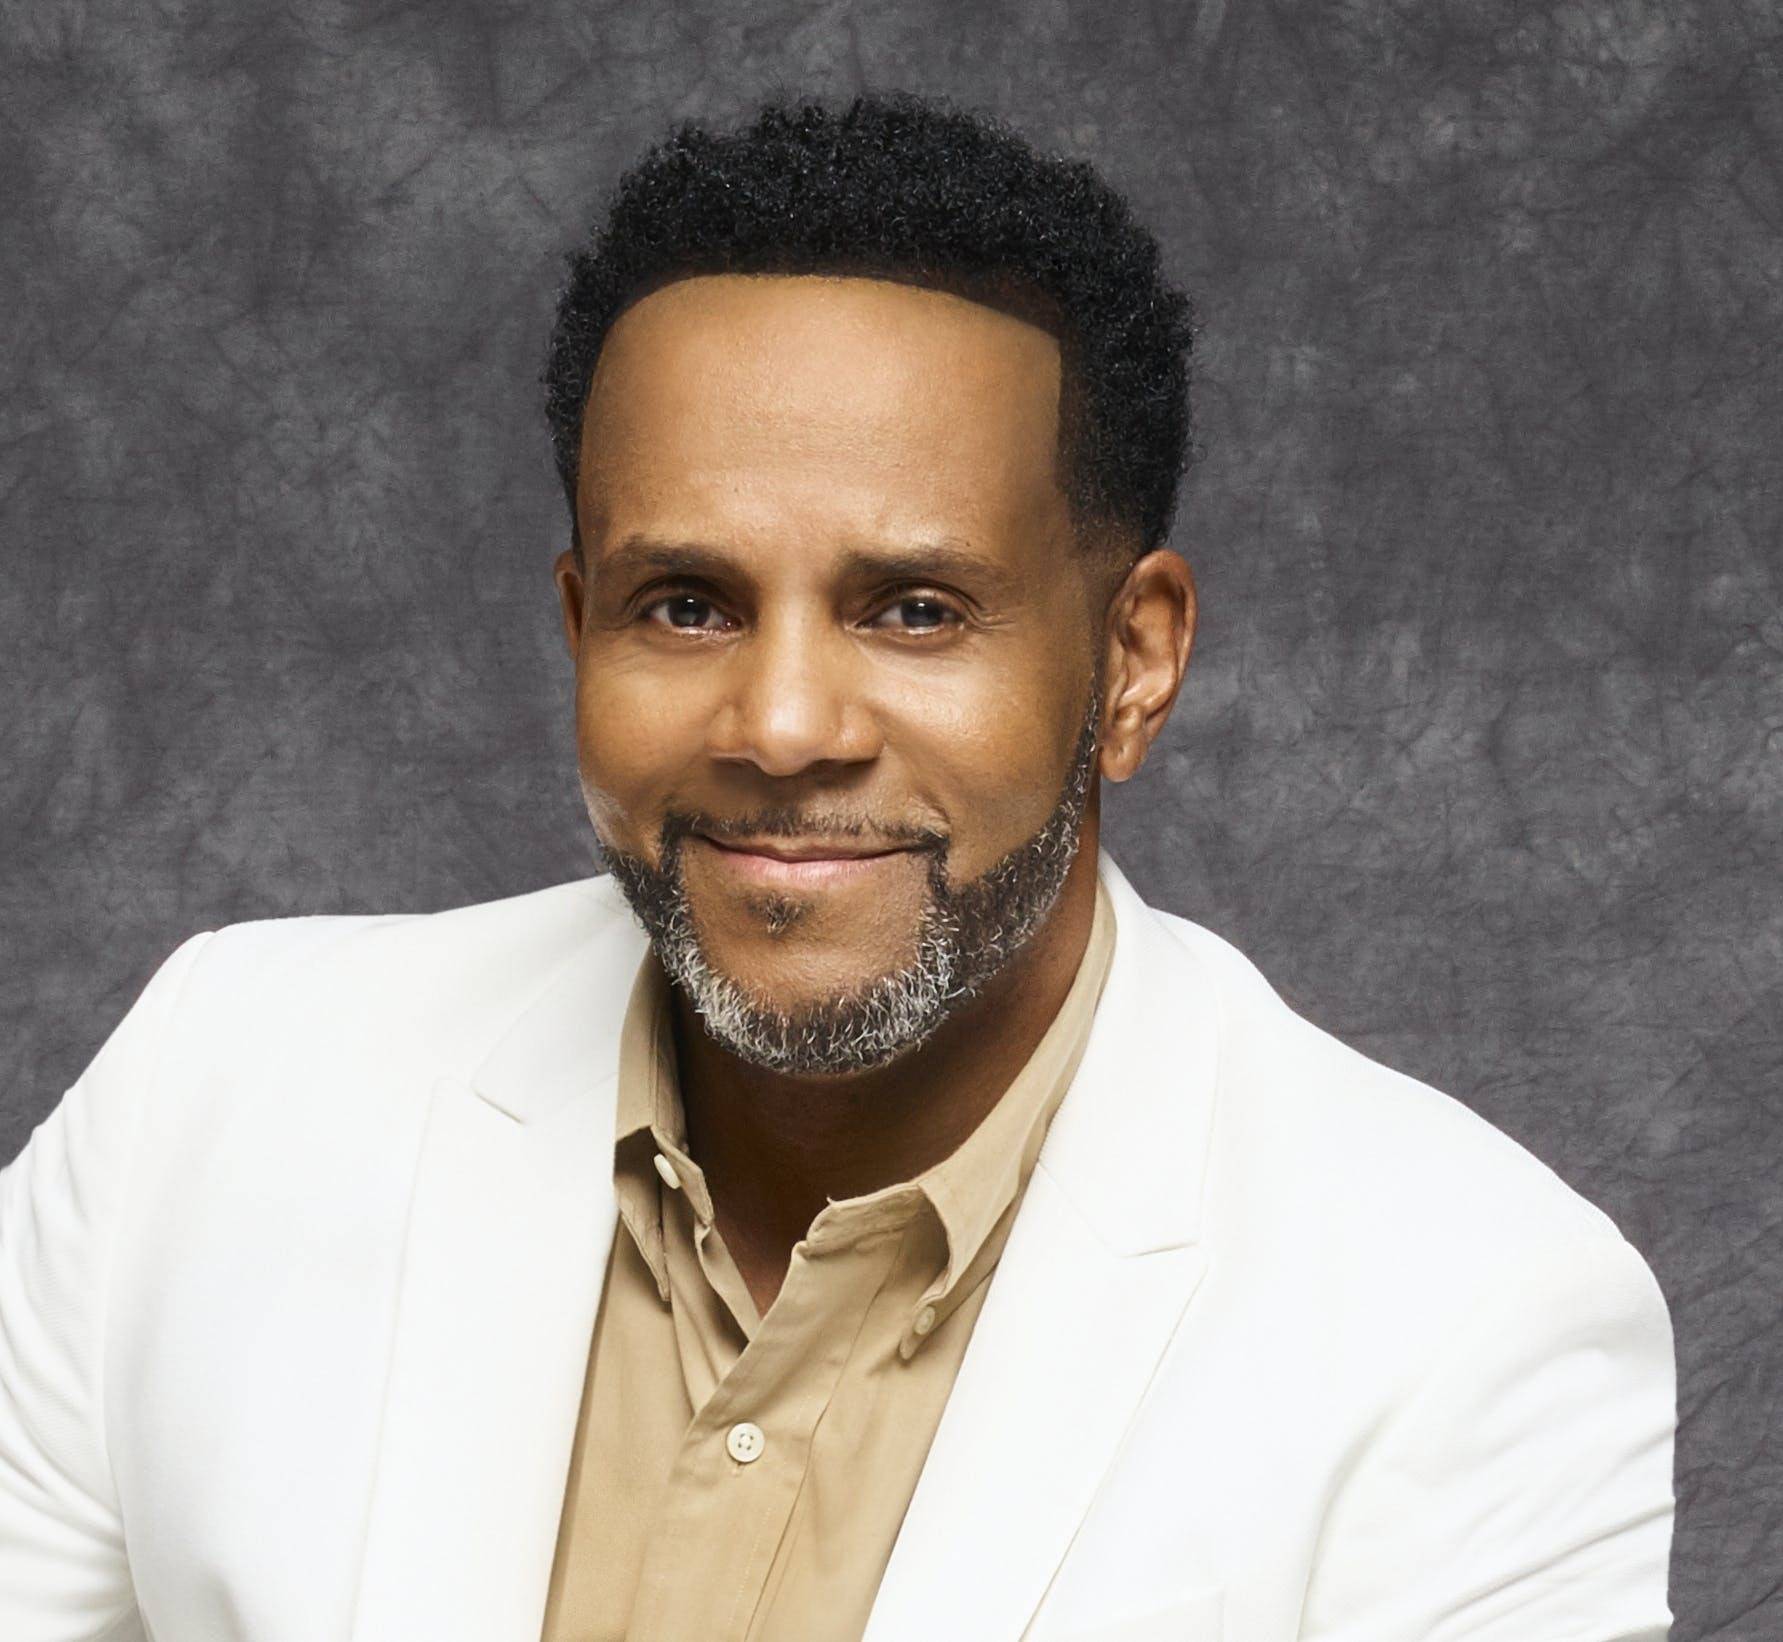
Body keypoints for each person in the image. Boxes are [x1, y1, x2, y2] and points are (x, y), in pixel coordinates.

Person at [0, 92, 1675, 1642]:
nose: (784, 724)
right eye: (687, 604)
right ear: (579, 625)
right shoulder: (209, 1093)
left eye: (914, 609)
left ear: (1134, 660)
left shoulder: (1466, 1322)